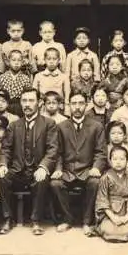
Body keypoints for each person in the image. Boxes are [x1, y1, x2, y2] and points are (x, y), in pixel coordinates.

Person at [0, 87, 58, 236]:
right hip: (18, 170)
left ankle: (35, 220)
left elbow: (52, 150)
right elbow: (6, 149)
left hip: (37, 170)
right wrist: (3, 164)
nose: (27, 104)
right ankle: (8, 218)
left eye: (31, 100)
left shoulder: (49, 123)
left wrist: (44, 167)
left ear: (39, 103)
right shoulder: (14, 125)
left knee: (42, 179)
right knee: (0, 177)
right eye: (24, 101)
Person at [50, 91, 107, 236]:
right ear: (68, 106)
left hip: (87, 170)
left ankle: (87, 222)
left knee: (95, 182)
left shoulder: (96, 126)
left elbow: (100, 152)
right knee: (55, 183)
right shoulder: (61, 126)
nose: (77, 107)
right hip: (68, 171)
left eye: (81, 103)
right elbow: (58, 152)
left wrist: (96, 168)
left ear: (87, 104)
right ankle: (68, 219)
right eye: (73, 103)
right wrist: (58, 169)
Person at [95, 146, 128, 243]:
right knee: (108, 230)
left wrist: (127, 217)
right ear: (110, 161)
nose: (118, 162)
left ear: (127, 161)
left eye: (122, 159)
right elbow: (102, 200)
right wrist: (113, 217)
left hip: (124, 211)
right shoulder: (106, 177)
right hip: (109, 212)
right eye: (115, 159)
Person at [32, 47, 70, 114]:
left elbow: (67, 94)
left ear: (59, 60)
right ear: (44, 60)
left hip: (59, 108)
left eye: (54, 59)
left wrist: (66, 108)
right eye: (49, 59)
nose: (51, 61)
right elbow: (34, 94)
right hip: (42, 109)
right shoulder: (38, 76)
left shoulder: (64, 77)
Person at [0, 50, 32, 117]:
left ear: (22, 62)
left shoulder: (25, 78)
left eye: (19, 60)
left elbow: (27, 94)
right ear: (8, 62)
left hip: (20, 107)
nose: (16, 63)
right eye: (13, 60)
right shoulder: (1, 77)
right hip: (5, 106)